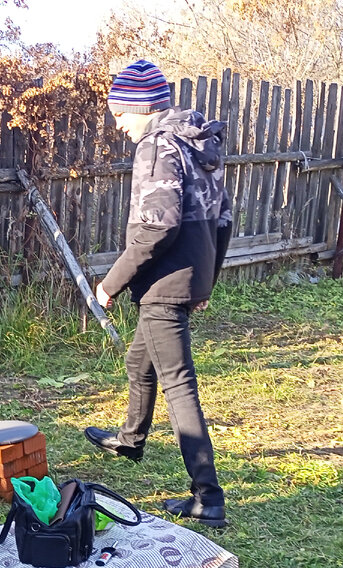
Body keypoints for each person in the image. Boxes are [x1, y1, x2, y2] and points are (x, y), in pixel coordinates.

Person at [85, 59, 232, 528]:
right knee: (138, 362)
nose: (117, 123)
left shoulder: (157, 146)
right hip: (188, 273)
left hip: (164, 281)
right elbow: (223, 218)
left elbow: (156, 226)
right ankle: (131, 439)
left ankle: (207, 495)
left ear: (142, 107)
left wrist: (111, 282)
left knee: (179, 385)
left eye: (120, 113)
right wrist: (206, 279)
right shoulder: (199, 143)